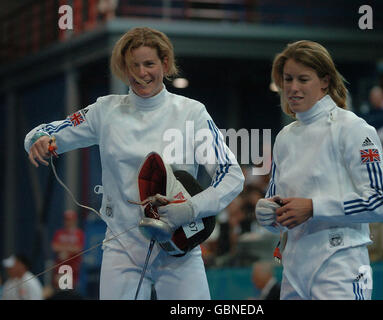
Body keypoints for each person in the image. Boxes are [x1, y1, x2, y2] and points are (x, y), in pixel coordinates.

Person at [24, 27, 244, 300]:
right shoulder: (105, 111)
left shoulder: (192, 113)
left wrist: (190, 209)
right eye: (133, 66)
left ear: (164, 64)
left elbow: (231, 174)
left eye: (149, 64)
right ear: (123, 68)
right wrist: (39, 139)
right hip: (122, 247)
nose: (142, 73)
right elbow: (44, 132)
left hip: (179, 245)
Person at [255, 40, 383, 300]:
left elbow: (382, 202)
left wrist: (313, 208)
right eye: (288, 79)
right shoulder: (285, 137)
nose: (293, 88)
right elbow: (281, 210)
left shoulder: (353, 128)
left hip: (341, 264)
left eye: (303, 79)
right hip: (294, 268)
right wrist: (268, 214)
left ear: (325, 81)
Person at [51, 209, 85, 289]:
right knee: (60, 289)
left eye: (70, 220)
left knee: (70, 290)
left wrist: (64, 249)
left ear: (74, 220)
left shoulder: (79, 233)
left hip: (73, 267)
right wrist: (69, 248)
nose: (68, 222)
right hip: (60, 266)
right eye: (66, 219)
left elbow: (78, 248)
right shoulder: (59, 233)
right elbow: (54, 246)